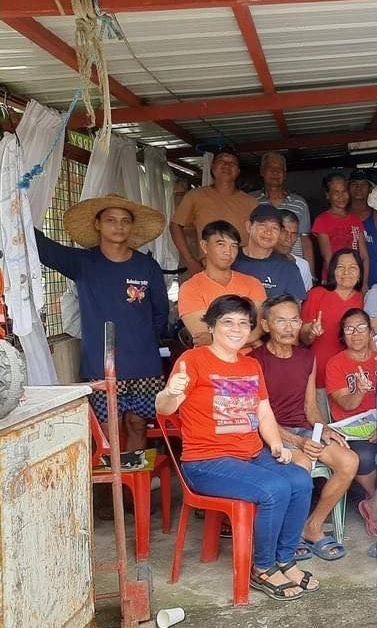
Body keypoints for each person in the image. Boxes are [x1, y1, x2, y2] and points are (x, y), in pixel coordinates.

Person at [156, 294, 318, 601]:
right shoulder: (193, 360)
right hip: (206, 461)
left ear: (252, 328)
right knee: (274, 489)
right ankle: (263, 567)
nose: (236, 329)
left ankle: (285, 558)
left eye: (244, 323)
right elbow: (165, 408)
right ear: (212, 326)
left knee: (299, 479)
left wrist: (275, 446)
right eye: (227, 321)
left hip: (251, 454)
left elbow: (264, 412)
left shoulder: (250, 366)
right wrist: (169, 393)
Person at [34, 195, 167, 451]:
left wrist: (143, 340)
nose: (119, 226)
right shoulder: (83, 263)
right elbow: (43, 249)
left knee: (139, 424)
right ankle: (116, 479)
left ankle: (134, 475)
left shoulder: (147, 266)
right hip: (101, 364)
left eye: (125, 221)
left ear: (132, 227)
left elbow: (160, 312)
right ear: (97, 224)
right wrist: (16, 211)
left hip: (144, 364)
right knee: (110, 429)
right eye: (111, 220)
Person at [250, 295, 359, 560]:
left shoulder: (306, 357)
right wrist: (297, 443)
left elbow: (310, 407)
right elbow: (259, 415)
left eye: (294, 320)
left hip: (302, 430)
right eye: (281, 321)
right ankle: (290, 533)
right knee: (302, 464)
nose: (289, 328)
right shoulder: (255, 361)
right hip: (270, 433)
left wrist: (325, 428)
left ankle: (312, 526)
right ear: (265, 325)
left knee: (349, 461)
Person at [325, 309, 377, 537]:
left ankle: (374, 504)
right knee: (364, 456)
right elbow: (345, 405)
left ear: (370, 332)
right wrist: (358, 392)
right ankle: (374, 502)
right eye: (349, 329)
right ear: (342, 335)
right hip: (350, 430)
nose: (356, 334)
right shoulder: (335, 364)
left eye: (361, 328)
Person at [177, 220, 267, 347]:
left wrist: (215, 339)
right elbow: (202, 338)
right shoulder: (190, 288)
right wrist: (251, 342)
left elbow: (259, 329)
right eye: (221, 244)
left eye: (234, 246)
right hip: (212, 363)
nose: (228, 252)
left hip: (251, 362)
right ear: (204, 246)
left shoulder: (253, 283)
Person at [170, 148, 258, 275]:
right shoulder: (195, 196)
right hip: (208, 269)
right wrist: (190, 261)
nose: (227, 165)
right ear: (213, 167)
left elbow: (261, 235)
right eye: (222, 161)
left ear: (238, 171)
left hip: (243, 269)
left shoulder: (251, 202)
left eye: (232, 162)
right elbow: (175, 225)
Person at [300, 249, 364, 398]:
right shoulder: (317, 294)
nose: (346, 272)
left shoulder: (363, 299)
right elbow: (302, 338)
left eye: (353, 268)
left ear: (360, 274)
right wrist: (310, 331)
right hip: (320, 372)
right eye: (340, 267)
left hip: (352, 375)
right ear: (332, 271)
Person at [249, 151, 315, 276]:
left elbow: (305, 241)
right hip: (259, 268)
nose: (275, 172)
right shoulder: (250, 201)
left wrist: (311, 275)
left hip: (294, 267)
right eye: (271, 168)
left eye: (279, 169)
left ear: (285, 174)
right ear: (262, 171)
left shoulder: (299, 203)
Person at [233, 205, 307, 301]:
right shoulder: (231, 257)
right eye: (263, 225)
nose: (268, 232)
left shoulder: (288, 268)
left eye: (274, 228)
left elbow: (294, 309)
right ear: (249, 227)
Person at [311, 172, 370, 286]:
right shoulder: (322, 220)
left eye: (344, 191)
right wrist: (340, 284)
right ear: (328, 195)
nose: (341, 196)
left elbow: (364, 256)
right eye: (336, 192)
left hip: (355, 280)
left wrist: (364, 284)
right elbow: (328, 259)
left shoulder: (356, 220)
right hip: (333, 280)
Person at [348, 169, 377, 286]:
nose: (358, 188)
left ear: (370, 189)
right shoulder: (342, 216)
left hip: (375, 278)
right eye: (354, 184)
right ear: (348, 188)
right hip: (347, 277)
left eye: (363, 184)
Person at [277, 209, 313, 291]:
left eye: (294, 234)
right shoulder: (258, 262)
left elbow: (306, 301)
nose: (289, 239)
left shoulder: (302, 265)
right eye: (284, 232)